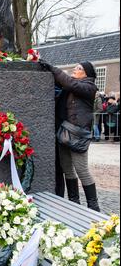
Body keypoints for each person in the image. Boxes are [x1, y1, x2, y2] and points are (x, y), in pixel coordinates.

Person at [41, 60, 100, 212]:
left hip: (78, 135)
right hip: (64, 133)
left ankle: (93, 207)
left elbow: (70, 84)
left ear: (87, 74)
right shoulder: (71, 84)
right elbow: (63, 84)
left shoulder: (89, 87)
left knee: (82, 170)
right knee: (67, 168)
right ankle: (74, 202)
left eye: (79, 68)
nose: (75, 69)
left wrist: (52, 67)